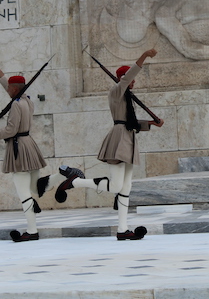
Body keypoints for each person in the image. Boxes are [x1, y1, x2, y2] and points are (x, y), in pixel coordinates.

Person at [54, 49, 164, 241]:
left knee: (126, 187)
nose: (134, 82)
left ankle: (123, 229)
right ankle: (75, 181)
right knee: (115, 186)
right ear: (123, 78)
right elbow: (129, 80)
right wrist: (144, 56)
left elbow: (130, 121)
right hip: (119, 140)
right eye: (130, 79)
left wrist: (151, 124)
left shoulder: (126, 97)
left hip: (129, 140)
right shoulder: (116, 91)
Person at [0, 64, 60, 243]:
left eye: (10, 88)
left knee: (24, 193)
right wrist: (0, 73)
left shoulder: (16, 106)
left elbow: (10, 130)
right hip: (30, 146)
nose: (7, 90)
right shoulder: (27, 101)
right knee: (34, 188)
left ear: (15, 89)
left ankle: (31, 231)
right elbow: (11, 88)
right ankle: (62, 176)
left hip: (18, 147)